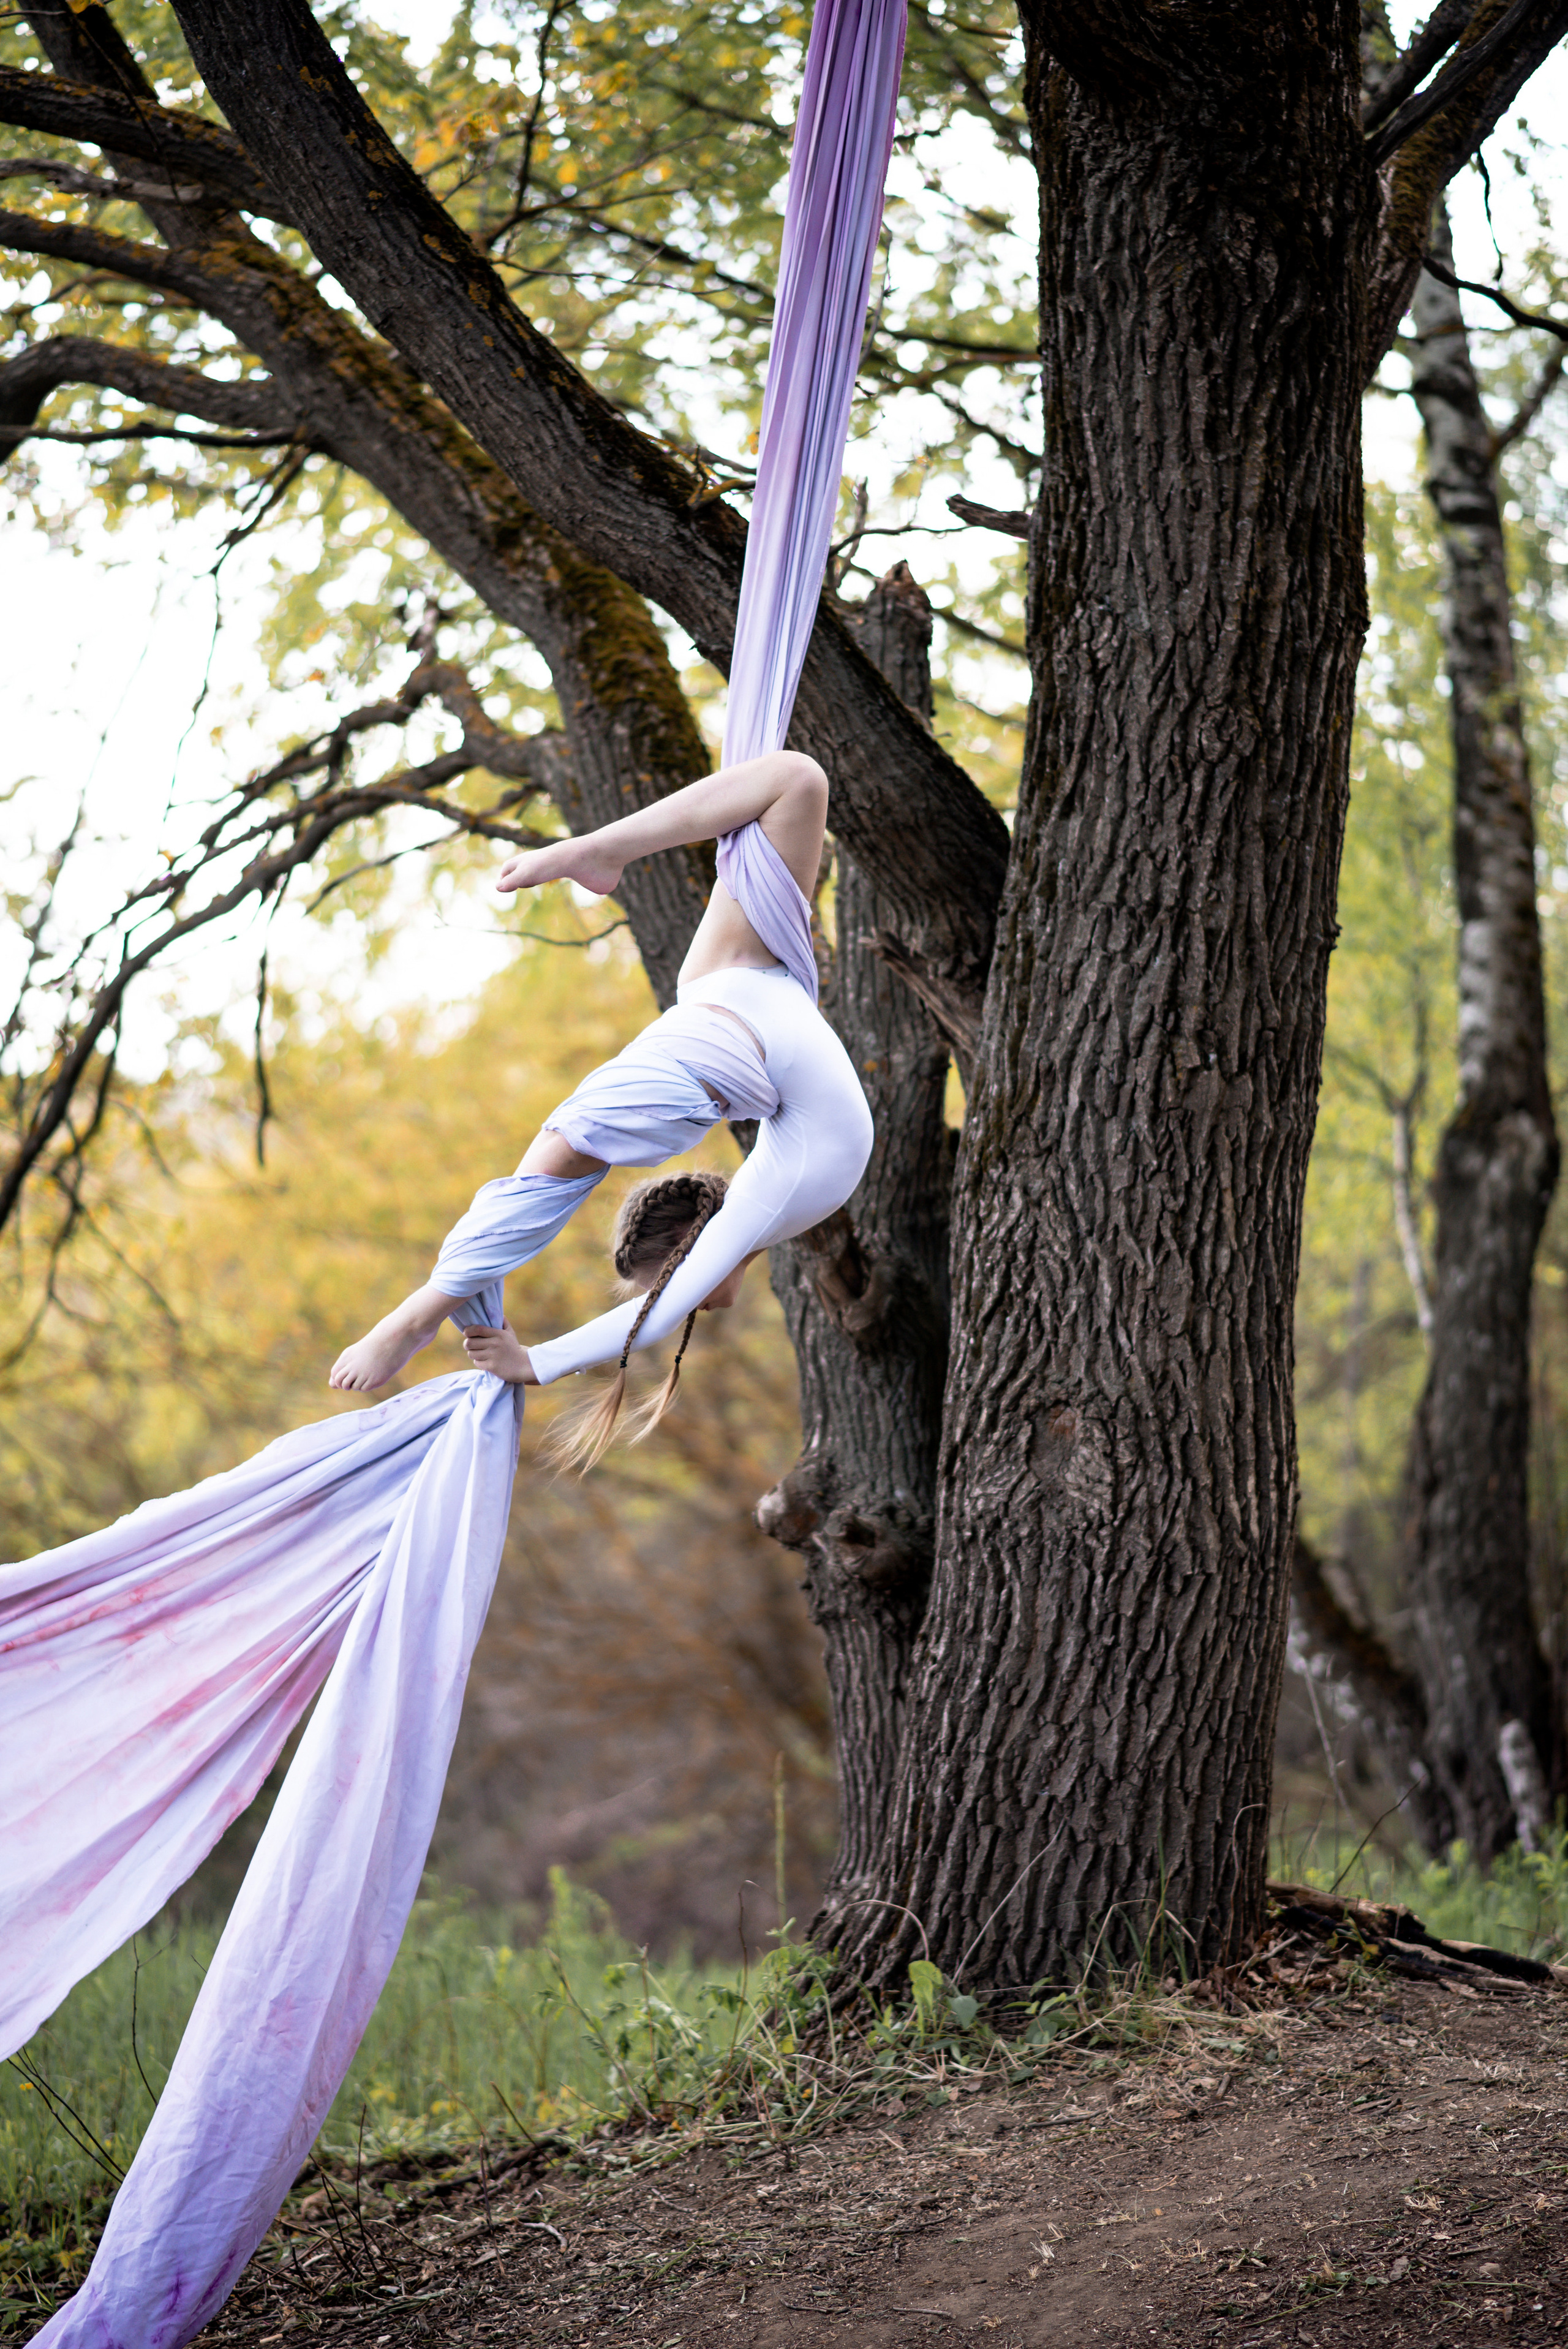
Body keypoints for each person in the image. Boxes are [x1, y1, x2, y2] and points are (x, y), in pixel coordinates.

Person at [329, 746, 872, 1465]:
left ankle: (416, 1313)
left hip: (741, 1008)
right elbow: (656, 1317)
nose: (691, 1304)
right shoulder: (774, 1198)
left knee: (796, 779)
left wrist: (537, 1362)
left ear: (685, 1256)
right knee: (565, 1146)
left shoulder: (774, 1196)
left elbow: (653, 1321)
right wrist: (533, 1360)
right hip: (737, 1003)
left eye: (663, 1285)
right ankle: (420, 1311)